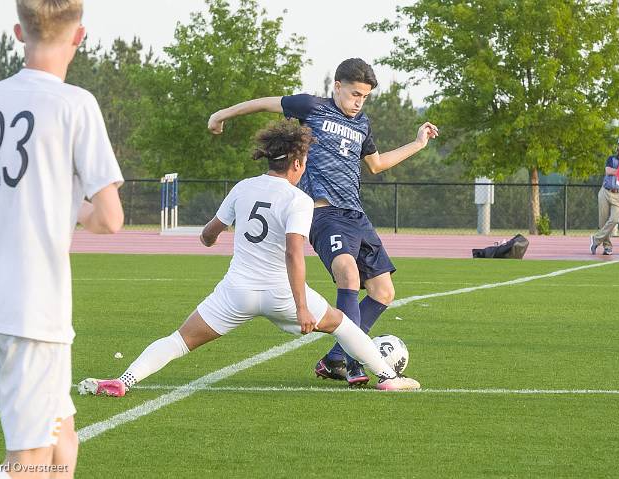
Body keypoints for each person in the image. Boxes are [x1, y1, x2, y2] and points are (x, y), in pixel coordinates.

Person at [78, 120, 420, 398]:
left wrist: (212, 237)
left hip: (236, 292)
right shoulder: (298, 199)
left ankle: (123, 381)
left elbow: (208, 233)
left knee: (179, 341)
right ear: (298, 163)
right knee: (343, 325)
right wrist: (301, 308)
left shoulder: (243, 188)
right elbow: (293, 252)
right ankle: (388, 377)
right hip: (281, 294)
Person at [0, 1, 125, 477]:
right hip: (34, 309)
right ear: (80, 36)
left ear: (19, 31)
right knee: (28, 465)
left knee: (61, 442)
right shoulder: (74, 103)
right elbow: (109, 219)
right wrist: (70, 208)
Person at [207, 58, 438, 386]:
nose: (359, 102)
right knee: (348, 272)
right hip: (323, 213)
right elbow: (263, 104)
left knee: (384, 291)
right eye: (355, 93)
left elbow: (376, 164)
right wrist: (220, 115)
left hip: (356, 215)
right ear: (337, 86)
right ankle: (356, 362)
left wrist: (417, 144)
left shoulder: (363, 124)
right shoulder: (310, 106)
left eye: (365, 97)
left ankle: (335, 358)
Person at [590, 136, 619, 255]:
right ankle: (607, 246)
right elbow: (608, 171)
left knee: (615, 220)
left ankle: (596, 239)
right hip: (605, 191)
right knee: (603, 221)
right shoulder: (611, 158)